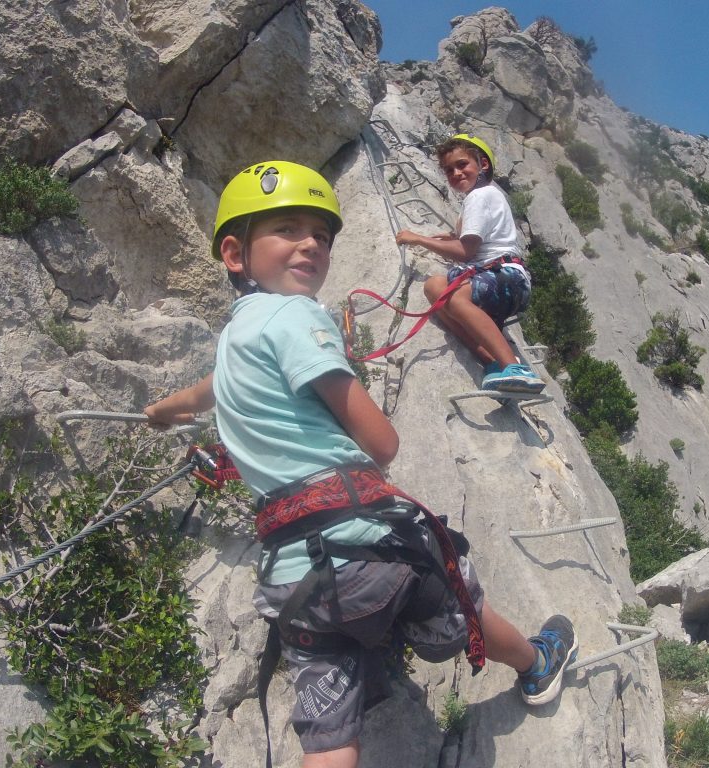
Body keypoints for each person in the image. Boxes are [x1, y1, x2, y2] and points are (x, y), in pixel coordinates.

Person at [147, 161, 576, 768]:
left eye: (321, 236)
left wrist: (164, 411)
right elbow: (383, 443)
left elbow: (204, 394)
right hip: (372, 549)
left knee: (329, 739)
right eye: (289, 229)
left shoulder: (235, 339)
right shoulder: (296, 316)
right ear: (235, 252)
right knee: (465, 605)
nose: (310, 245)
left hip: (294, 580)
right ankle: (537, 665)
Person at [395, 133, 545, 393]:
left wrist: (417, 238)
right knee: (435, 288)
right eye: (449, 169)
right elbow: (476, 238)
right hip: (504, 282)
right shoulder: (482, 197)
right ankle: (492, 361)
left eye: (462, 164)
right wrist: (453, 236)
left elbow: (465, 252)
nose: (456, 172)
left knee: (454, 298)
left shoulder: (480, 195)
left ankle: (515, 367)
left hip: (506, 276)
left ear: (482, 164)